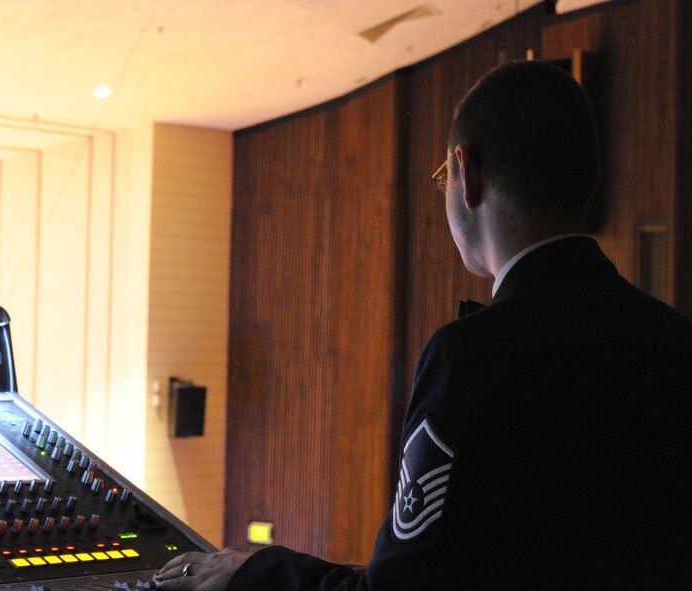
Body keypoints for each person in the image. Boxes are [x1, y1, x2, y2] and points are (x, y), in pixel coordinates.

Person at [153, 60, 692, 590]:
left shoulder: (472, 355)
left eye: (443, 177)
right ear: (592, 178)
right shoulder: (674, 341)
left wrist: (252, 572)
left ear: (466, 173)